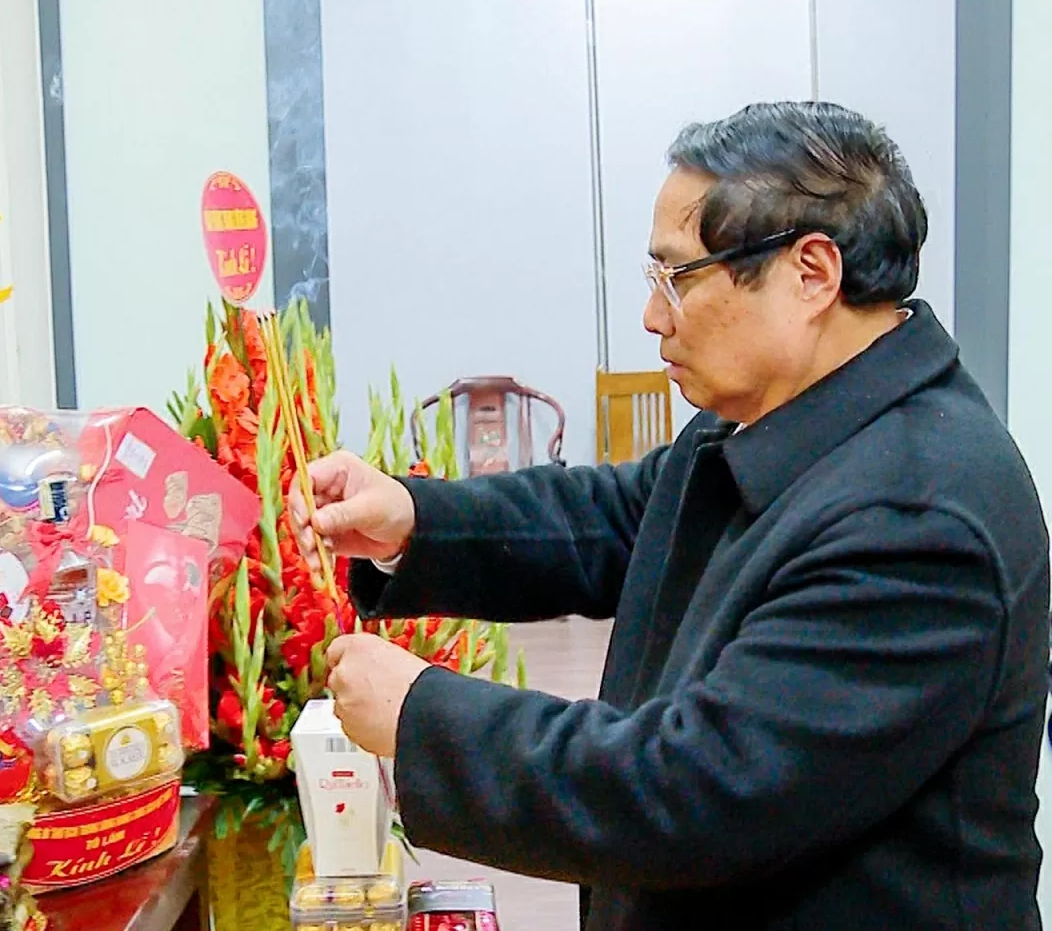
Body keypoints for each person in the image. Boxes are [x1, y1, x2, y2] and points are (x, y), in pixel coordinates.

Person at [291, 101, 1051, 930]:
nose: (655, 316)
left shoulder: (920, 514)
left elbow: (703, 789)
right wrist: (413, 519)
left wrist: (425, 721)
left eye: (677, 277)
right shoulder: (778, 412)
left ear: (811, 274)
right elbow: (621, 516)